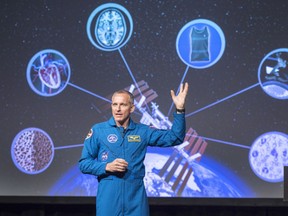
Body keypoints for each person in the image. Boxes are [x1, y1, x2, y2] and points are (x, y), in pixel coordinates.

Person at [78, 82, 189, 216]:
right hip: (109, 200)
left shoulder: (143, 131)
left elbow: (175, 137)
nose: (117, 109)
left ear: (131, 108)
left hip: (136, 201)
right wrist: (107, 166)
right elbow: (84, 164)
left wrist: (180, 110)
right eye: (114, 104)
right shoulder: (98, 130)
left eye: (123, 105)